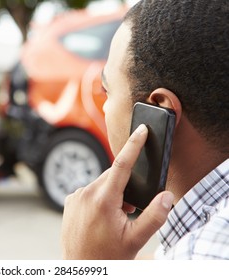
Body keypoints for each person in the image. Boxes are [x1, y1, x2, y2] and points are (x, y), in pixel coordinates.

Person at [61, 0, 229, 260]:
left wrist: (85, 264)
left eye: (107, 91)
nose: (104, 108)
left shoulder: (201, 255)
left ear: (159, 109)